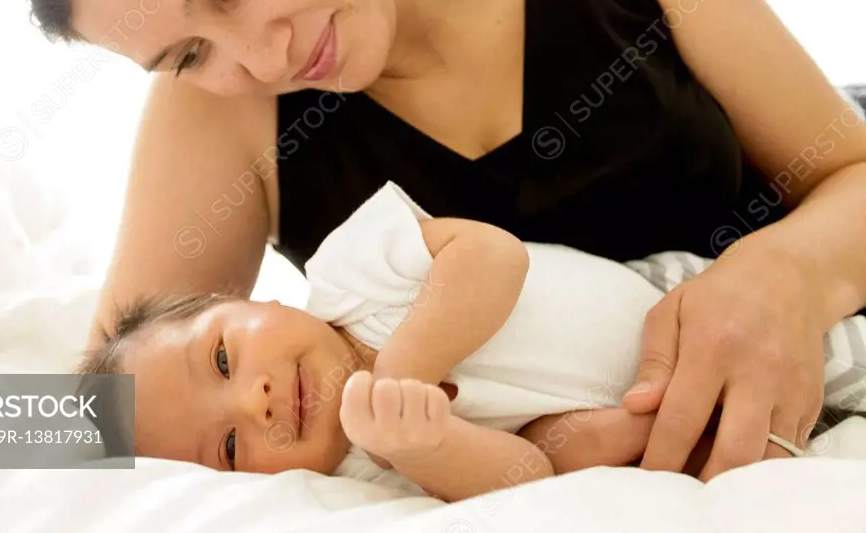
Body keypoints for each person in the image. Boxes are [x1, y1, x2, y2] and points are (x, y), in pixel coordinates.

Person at [0, 0, 866, 481]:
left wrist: (781, 272)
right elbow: (105, 409)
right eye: (182, 55)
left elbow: (850, 170)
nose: (256, 60)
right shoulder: (224, 116)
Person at [75, 181, 866, 501]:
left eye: (222, 357)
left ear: (236, 299)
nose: (257, 401)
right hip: (650, 406)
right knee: (568, 451)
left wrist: (408, 365)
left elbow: (492, 256)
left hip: (677, 301)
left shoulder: (351, 275)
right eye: (230, 449)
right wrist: (424, 447)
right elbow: (527, 473)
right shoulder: (365, 467)